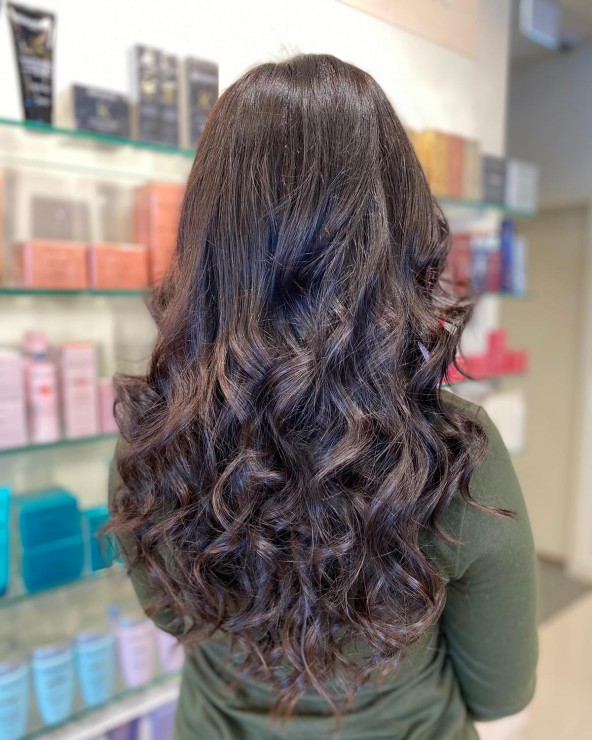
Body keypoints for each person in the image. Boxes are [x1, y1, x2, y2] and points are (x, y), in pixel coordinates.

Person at [108, 54, 538, 740]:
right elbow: (500, 690)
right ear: (398, 232)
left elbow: (172, 617)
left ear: (210, 240)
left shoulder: (153, 441)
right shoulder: (459, 458)